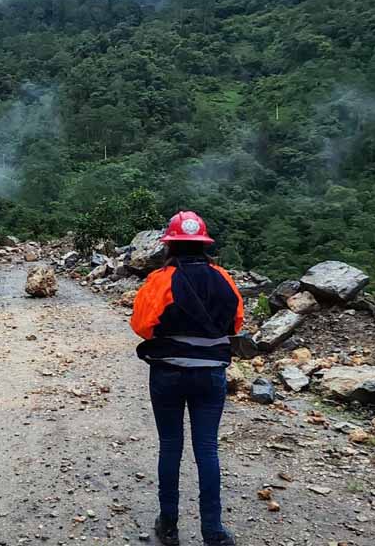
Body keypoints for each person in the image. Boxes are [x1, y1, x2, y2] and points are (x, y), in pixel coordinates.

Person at [129, 211, 243, 546]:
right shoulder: (223, 277)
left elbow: (141, 326)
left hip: (167, 374)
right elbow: (235, 324)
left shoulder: (160, 280)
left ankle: (169, 526)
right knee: (207, 448)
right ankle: (213, 531)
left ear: (170, 246)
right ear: (204, 245)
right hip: (210, 376)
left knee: (170, 445)